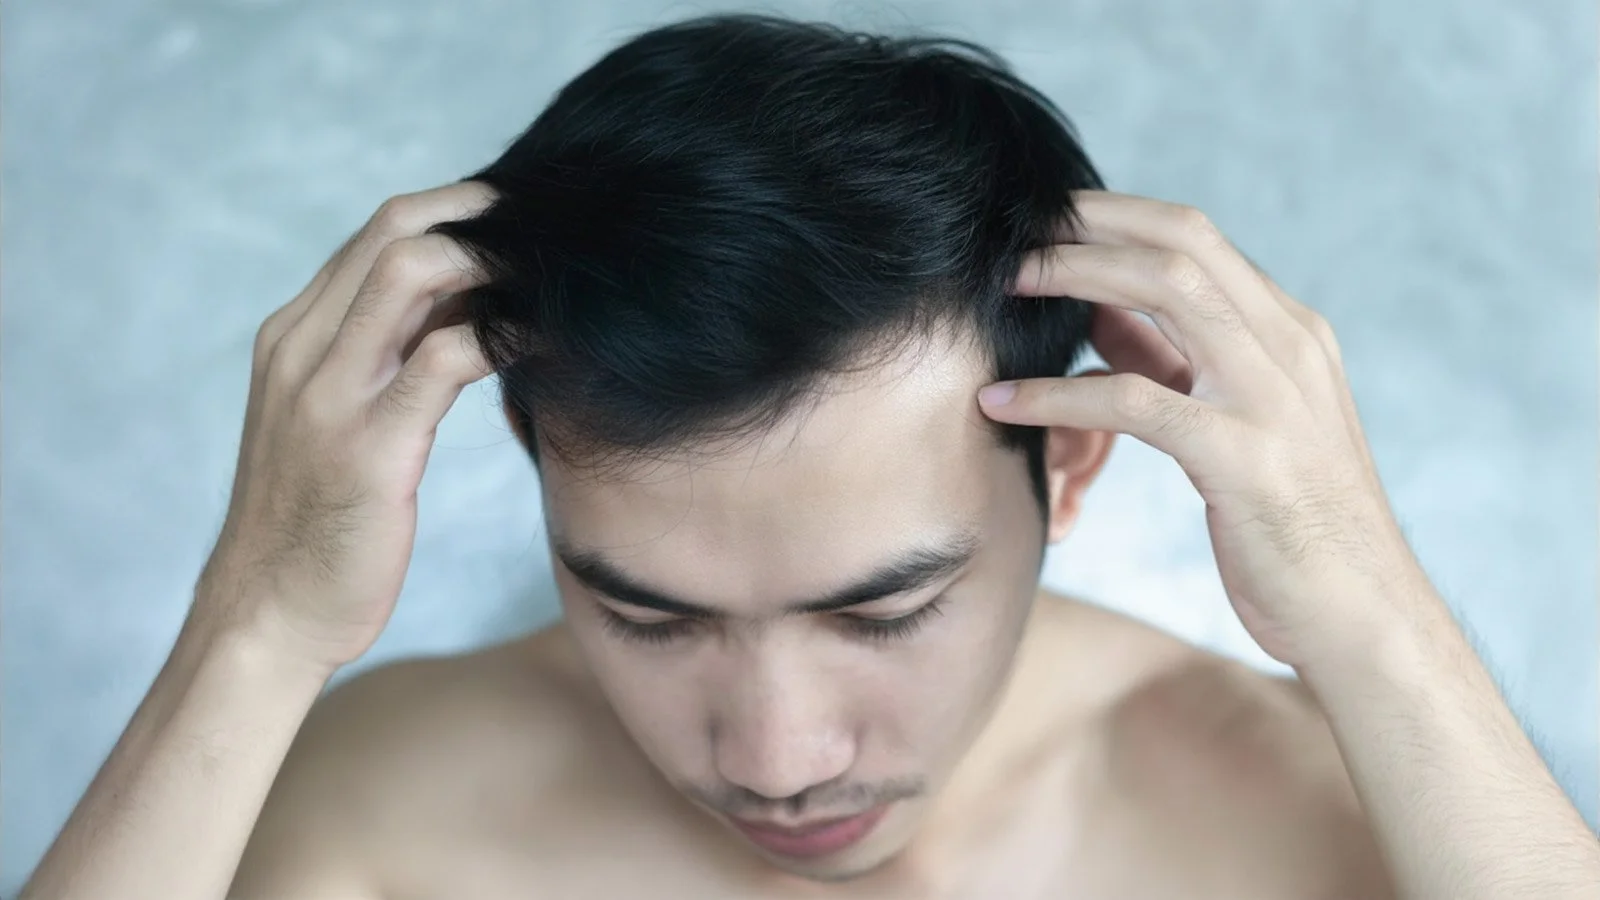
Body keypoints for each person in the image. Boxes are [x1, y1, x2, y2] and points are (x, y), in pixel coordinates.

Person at [21, 14, 1599, 900]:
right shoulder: (374, 810)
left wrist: (1370, 609)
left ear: (1071, 476)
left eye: (883, 611)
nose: (778, 759)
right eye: (648, 615)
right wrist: (255, 624)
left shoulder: (1318, 819)